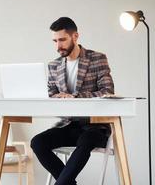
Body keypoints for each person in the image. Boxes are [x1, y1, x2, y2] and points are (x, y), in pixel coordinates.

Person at [30, 17, 115, 185]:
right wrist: (56, 97)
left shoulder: (97, 59)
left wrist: (75, 97)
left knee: (86, 139)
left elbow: (107, 92)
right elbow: (50, 93)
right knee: (38, 142)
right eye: (54, 41)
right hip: (69, 126)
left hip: (95, 127)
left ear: (75, 36)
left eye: (62, 40)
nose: (58, 46)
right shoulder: (54, 66)